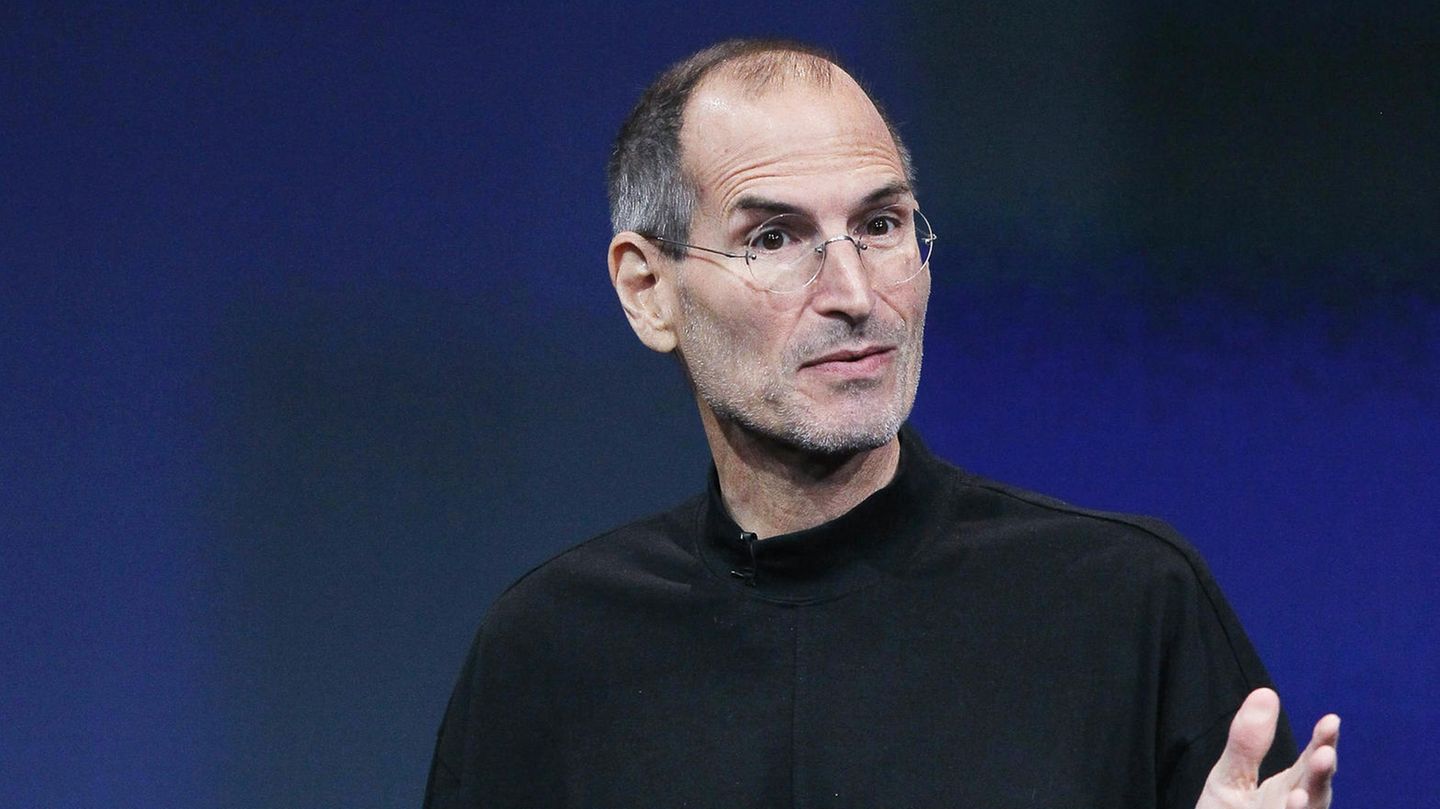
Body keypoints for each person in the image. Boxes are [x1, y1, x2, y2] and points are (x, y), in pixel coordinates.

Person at [423, 39, 1339, 808]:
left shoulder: (1128, 605)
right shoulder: (550, 651)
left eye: (882, 224)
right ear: (648, 289)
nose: (855, 294)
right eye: (774, 238)